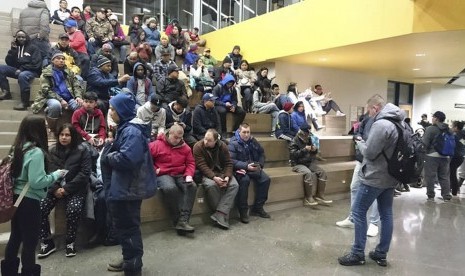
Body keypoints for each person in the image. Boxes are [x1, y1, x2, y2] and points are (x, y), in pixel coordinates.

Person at [338, 94, 404, 267]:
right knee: (386, 214)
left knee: (359, 212)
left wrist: (359, 142)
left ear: (375, 108)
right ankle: (381, 253)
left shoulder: (381, 124)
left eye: (369, 110)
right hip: (391, 176)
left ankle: (357, 253)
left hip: (375, 176)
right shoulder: (400, 122)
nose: (369, 114)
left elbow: (369, 152)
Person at [1, 115, 65, 276]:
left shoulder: (19, 147)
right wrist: (56, 174)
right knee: (30, 243)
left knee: (15, 237)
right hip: (29, 201)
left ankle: (9, 272)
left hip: (16, 198)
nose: (47, 127)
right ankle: (28, 272)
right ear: (36, 130)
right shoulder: (36, 152)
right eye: (44, 125)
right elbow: (37, 181)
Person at [101, 92, 157, 275]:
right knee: (125, 228)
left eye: (113, 109)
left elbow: (128, 159)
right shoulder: (126, 128)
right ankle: (129, 259)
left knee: (128, 229)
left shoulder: (131, 131)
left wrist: (109, 156)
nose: (110, 112)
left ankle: (133, 267)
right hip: (125, 187)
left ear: (122, 111)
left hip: (129, 189)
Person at [37, 123, 91, 259]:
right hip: (54, 187)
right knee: (40, 207)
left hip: (75, 188)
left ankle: (70, 241)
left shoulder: (82, 150)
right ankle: (48, 242)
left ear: (73, 136)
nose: (64, 137)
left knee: (74, 209)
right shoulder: (52, 150)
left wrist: (66, 189)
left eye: (67, 135)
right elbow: (47, 171)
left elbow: (84, 173)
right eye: (62, 134)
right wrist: (55, 188)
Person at [336, 113, 380, 237]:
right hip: (361, 160)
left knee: (376, 194)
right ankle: (352, 218)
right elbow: (357, 132)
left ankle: (374, 223)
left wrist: (363, 144)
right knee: (354, 187)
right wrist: (359, 139)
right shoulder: (367, 119)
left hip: (376, 163)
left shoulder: (384, 123)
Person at [149, 124, 197, 234]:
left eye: (180, 138)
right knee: (170, 188)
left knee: (192, 186)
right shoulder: (155, 145)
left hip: (180, 173)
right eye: (175, 137)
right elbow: (147, 160)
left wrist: (189, 174)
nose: (178, 140)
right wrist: (155, 169)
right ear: (169, 133)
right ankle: (178, 221)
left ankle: (183, 220)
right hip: (163, 173)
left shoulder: (185, 147)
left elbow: (190, 163)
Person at [193, 129, 239, 229]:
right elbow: (202, 166)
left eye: (209, 140)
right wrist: (214, 178)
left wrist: (227, 177)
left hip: (222, 172)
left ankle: (219, 214)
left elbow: (228, 163)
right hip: (207, 174)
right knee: (211, 185)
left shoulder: (223, 146)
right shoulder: (198, 146)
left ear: (215, 141)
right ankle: (222, 215)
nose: (206, 141)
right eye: (205, 139)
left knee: (234, 185)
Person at [229, 123, 271, 224]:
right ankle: (243, 211)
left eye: (248, 132)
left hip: (253, 167)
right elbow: (231, 161)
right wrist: (246, 166)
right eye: (244, 132)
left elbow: (261, 153)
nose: (246, 135)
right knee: (244, 181)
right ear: (239, 132)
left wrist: (260, 165)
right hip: (240, 169)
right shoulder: (233, 143)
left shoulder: (253, 141)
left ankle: (258, 207)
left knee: (266, 179)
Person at [31, 52, 83, 132]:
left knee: (81, 106)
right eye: (58, 58)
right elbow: (46, 90)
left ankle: (76, 131)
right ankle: (51, 129)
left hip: (69, 98)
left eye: (63, 59)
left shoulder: (69, 72)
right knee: (55, 105)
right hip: (50, 97)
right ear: (52, 61)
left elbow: (76, 85)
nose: (61, 60)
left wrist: (78, 97)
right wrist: (60, 100)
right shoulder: (46, 73)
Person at [290, 122, 332, 206]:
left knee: (322, 172)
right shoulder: (294, 140)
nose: (308, 135)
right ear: (302, 132)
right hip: (297, 163)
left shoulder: (308, 139)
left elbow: (312, 152)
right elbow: (293, 155)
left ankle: (320, 195)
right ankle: (308, 197)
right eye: (306, 133)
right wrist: (305, 149)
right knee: (308, 173)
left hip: (308, 162)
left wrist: (314, 150)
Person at [0, 30, 41, 110]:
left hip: (32, 71)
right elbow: (9, 63)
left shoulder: (33, 48)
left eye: (23, 37)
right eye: (19, 37)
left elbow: (36, 64)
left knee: (22, 75)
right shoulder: (16, 48)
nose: (21, 39)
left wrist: (22, 68)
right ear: (16, 38)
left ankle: (25, 102)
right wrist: (13, 51)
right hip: (17, 70)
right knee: (1, 68)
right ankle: (6, 92)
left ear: (26, 38)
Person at [422, 111, 452, 201]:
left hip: (432, 155)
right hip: (446, 156)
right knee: (444, 176)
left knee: (430, 176)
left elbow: (425, 142)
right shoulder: (448, 129)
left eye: (433, 117)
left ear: (436, 118)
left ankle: (431, 196)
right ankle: (446, 195)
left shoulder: (431, 128)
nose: (432, 119)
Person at [18, 0, 51, 66]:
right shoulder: (43, 10)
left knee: (29, 58)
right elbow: (44, 25)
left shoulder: (24, 11)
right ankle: (45, 74)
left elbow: (19, 25)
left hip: (26, 39)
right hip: (38, 38)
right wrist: (41, 36)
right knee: (46, 56)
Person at [450, 121, 465, 196]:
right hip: (461, 157)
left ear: (456, 127)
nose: (451, 127)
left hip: (455, 156)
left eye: (452, 126)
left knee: (452, 174)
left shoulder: (455, 136)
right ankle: (454, 189)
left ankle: (454, 190)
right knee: (452, 173)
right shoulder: (462, 135)